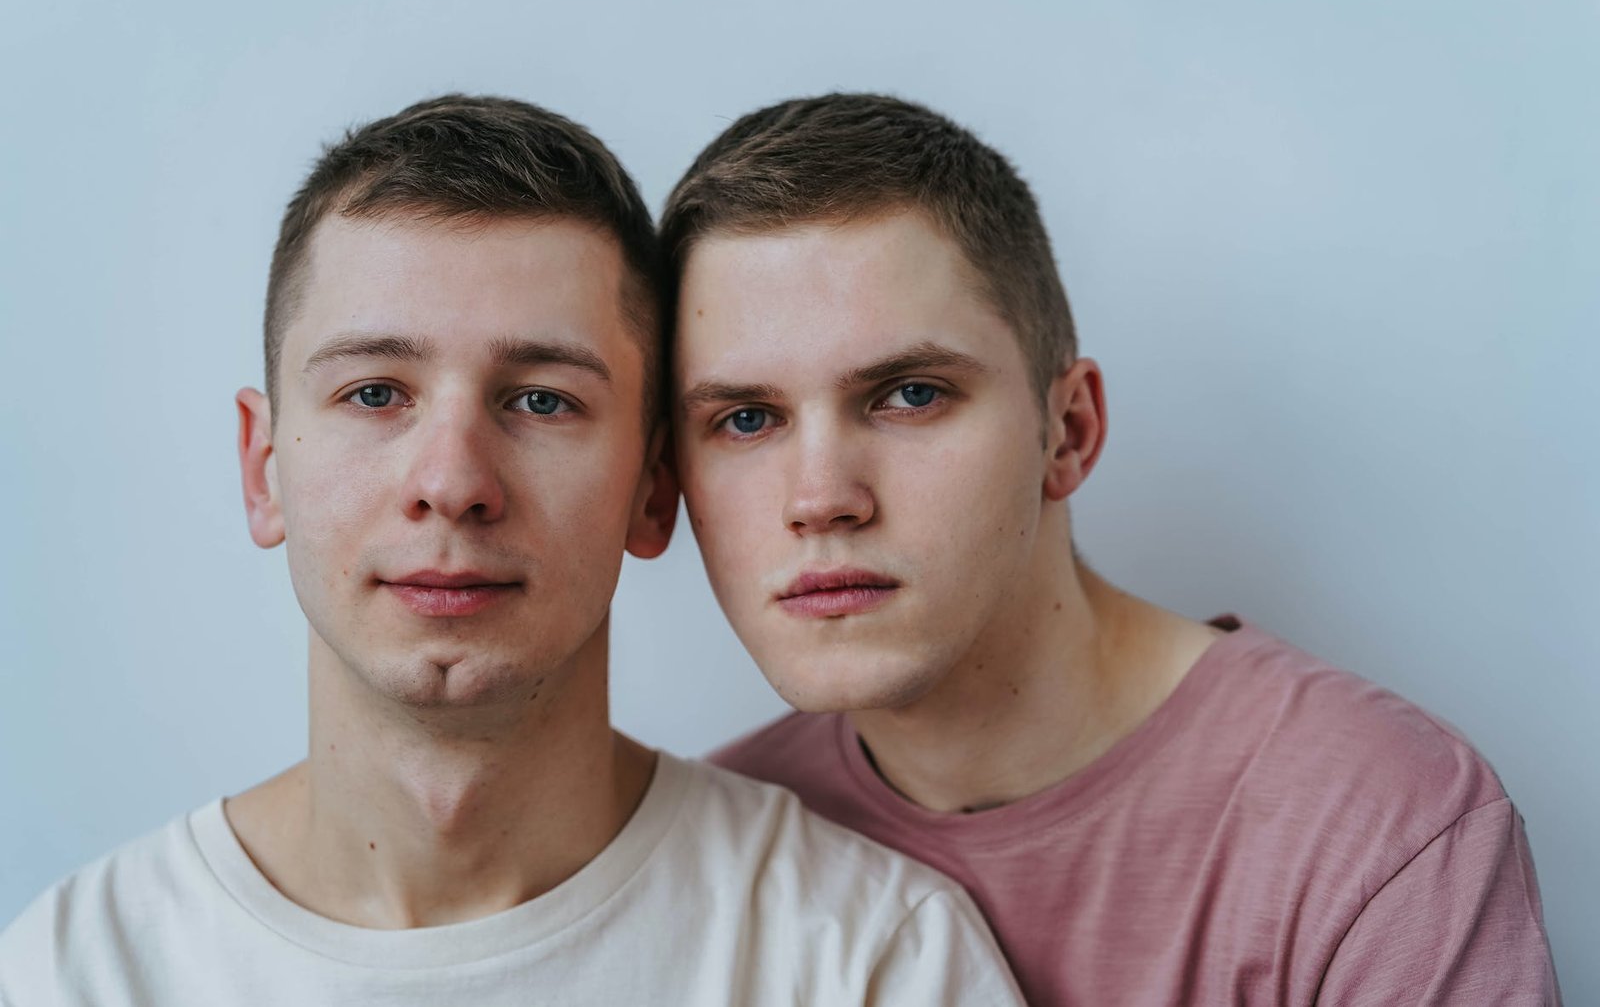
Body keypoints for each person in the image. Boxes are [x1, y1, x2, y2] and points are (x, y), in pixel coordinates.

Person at [0, 95, 1023, 1006]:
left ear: (653, 487)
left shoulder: (870, 960)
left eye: (541, 400)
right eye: (374, 394)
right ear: (263, 467)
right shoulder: (79, 970)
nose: (452, 480)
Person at [663, 92, 1562, 1004]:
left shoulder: (1377, 822)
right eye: (745, 418)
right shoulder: (710, 852)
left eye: (910, 395)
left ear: (1069, 430)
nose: (821, 499)